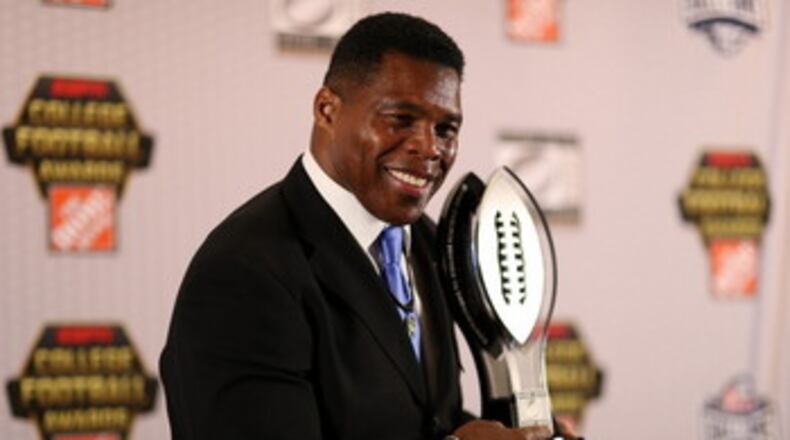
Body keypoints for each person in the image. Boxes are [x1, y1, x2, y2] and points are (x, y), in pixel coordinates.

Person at [160, 12, 571, 440]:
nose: (430, 148)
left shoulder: (431, 244)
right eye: (400, 119)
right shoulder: (244, 270)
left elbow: (420, 420)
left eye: (446, 128)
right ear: (326, 110)